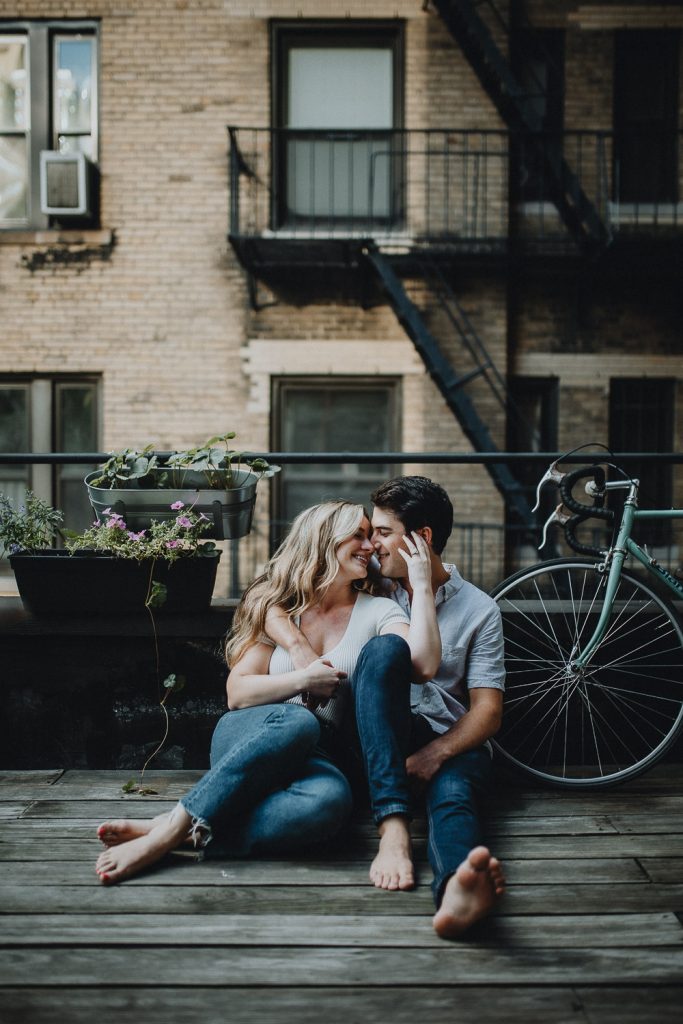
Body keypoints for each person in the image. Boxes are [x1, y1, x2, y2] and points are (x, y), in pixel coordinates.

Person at [95, 499, 441, 884]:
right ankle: (172, 831)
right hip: (252, 734)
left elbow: (422, 664)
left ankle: (179, 830)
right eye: (357, 535)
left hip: (320, 757)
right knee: (298, 720)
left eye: (370, 536)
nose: (369, 545)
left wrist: (422, 587)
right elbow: (237, 693)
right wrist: (302, 681)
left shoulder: (378, 612)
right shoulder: (281, 608)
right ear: (324, 540)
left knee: (331, 803)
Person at [269, 477, 506, 938]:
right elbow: (272, 597)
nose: (369, 543)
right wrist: (297, 645)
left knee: (454, 794)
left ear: (422, 538)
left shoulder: (480, 610)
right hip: (369, 741)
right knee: (382, 652)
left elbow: (487, 712)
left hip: (446, 743)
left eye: (380, 532)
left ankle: (459, 888)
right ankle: (392, 828)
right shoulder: (365, 584)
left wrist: (432, 756)